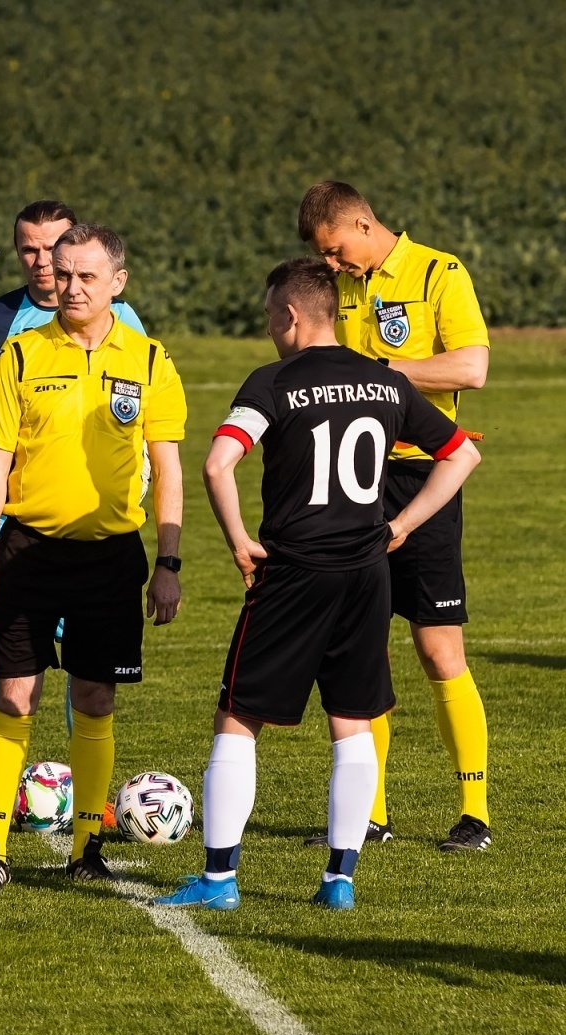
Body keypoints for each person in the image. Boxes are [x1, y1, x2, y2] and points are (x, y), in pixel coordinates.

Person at [153, 259, 480, 913]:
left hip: (295, 572)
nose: (270, 327)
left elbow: (219, 462)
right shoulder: (385, 382)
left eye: (271, 315)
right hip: (366, 574)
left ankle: (218, 881)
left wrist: (240, 540)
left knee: (238, 718)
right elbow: (463, 453)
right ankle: (340, 881)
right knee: (352, 722)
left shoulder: (273, 381)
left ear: (293, 316)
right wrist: (403, 525)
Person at [0, 223, 185, 890]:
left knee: (95, 698)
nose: (71, 286)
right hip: (27, 551)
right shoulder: (22, 356)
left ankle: (87, 847)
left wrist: (167, 565)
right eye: (64, 274)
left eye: (87, 275)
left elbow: (167, 470)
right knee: (17, 695)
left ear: (118, 282)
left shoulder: (148, 361)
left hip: (112, 557)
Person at [0, 199, 145, 835]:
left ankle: (87, 800)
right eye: (27, 249)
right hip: (14, 519)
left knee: (87, 668)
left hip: (95, 522)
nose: (41, 263)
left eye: (50, 249)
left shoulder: (124, 321)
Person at [300, 180, 495, 852]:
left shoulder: (438, 272)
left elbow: (472, 367)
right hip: (355, 476)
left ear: (362, 221)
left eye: (335, 250)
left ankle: (475, 812)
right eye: (324, 258)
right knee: (359, 646)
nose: (332, 265)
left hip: (424, 474)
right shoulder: (340, 287)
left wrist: (386, 370)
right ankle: (370, 815)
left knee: (438, 649)